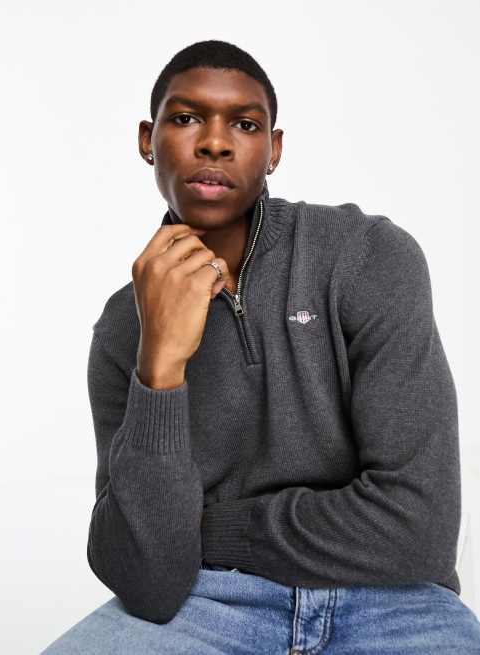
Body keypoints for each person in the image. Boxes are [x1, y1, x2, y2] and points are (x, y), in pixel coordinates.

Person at [41, 39, 480, 654]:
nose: (215, 143)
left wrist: (212, 530)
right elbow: (149, 581)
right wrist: (159, 363)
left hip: (393, 603)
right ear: (147, 140)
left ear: (273, 150)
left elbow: (418, 527)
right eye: (186, 118)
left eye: (244, 125)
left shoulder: (367, 256)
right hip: (208, 605)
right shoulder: (123, 330)